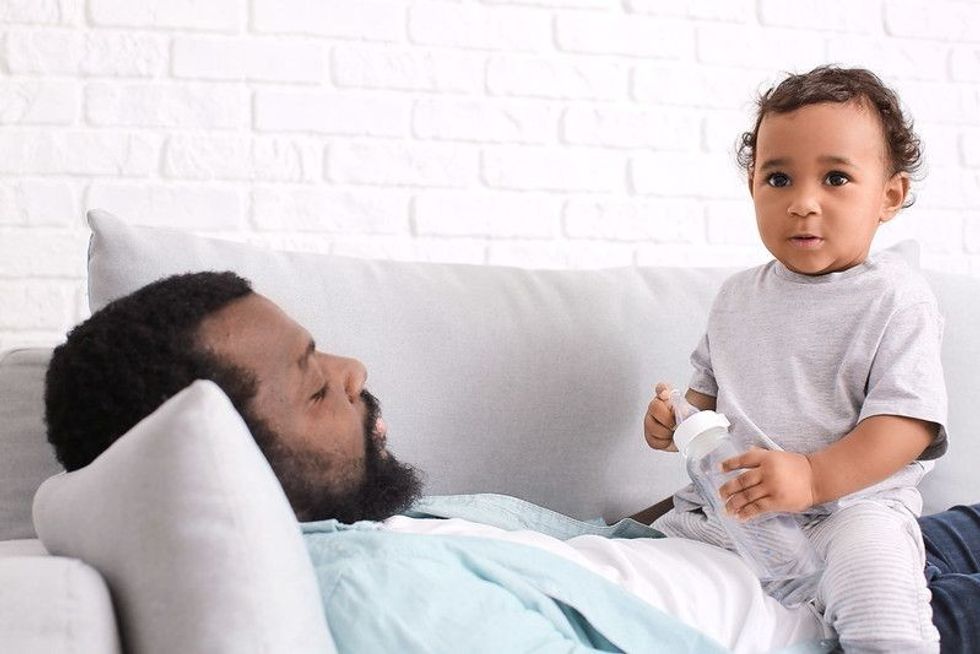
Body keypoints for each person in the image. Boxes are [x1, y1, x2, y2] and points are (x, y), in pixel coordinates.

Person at [44, 272, 979, 653]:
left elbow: (612, 561)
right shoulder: (381, 599)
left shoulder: (389, 527)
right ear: (223, 453)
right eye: (313, 383)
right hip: (891, 607)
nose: (354, 371)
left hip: (805, 545)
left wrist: (709, 474)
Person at [642, 66, 950, 653]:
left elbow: (906, 425)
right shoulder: (737, 296)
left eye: (836, 177)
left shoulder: (896, 296)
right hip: (734, 511)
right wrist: (673, 420)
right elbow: (706, 401)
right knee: (643, 568)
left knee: (881, 617)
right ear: (753, 186)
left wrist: (812, 478)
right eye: (778, 178)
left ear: (890, 196)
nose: (803, 203)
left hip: (849, 513)